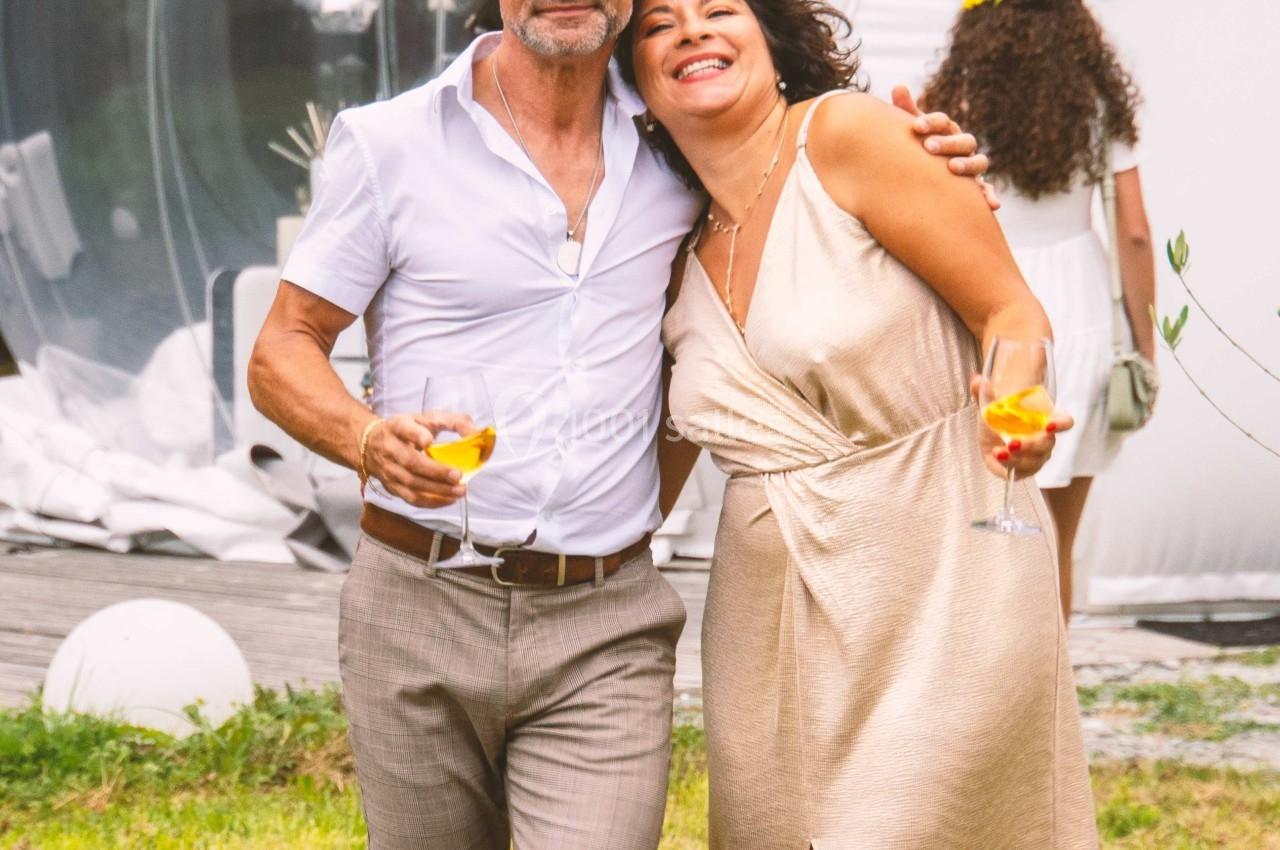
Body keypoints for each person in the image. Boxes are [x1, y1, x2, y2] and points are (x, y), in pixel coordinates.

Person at [247, 0, 988, 846]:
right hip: (414, 603)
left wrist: (928, 161)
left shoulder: (679, 149)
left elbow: (807, 178)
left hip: (605, 623)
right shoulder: (390, 144)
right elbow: (282, 350)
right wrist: (367, 439)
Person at [620, 0, 1095, 847]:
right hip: (766, 620)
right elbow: (647, 475)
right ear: (634, 82)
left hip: (944, 577)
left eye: (720, 8)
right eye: (659, 23)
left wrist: (1011, 411)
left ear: (771, 41)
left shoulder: (849, 138)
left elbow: (1012, 312)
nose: (692, 29)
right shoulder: (669, 251)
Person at [922, 0, 1156, 621]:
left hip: (984, 313)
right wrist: (1144, 346)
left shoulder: (954, 100)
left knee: (979, 537)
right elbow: (1132, 231)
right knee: (1056, 541)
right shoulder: (1097, 100)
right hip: (1079, 317)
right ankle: (1049, 699)